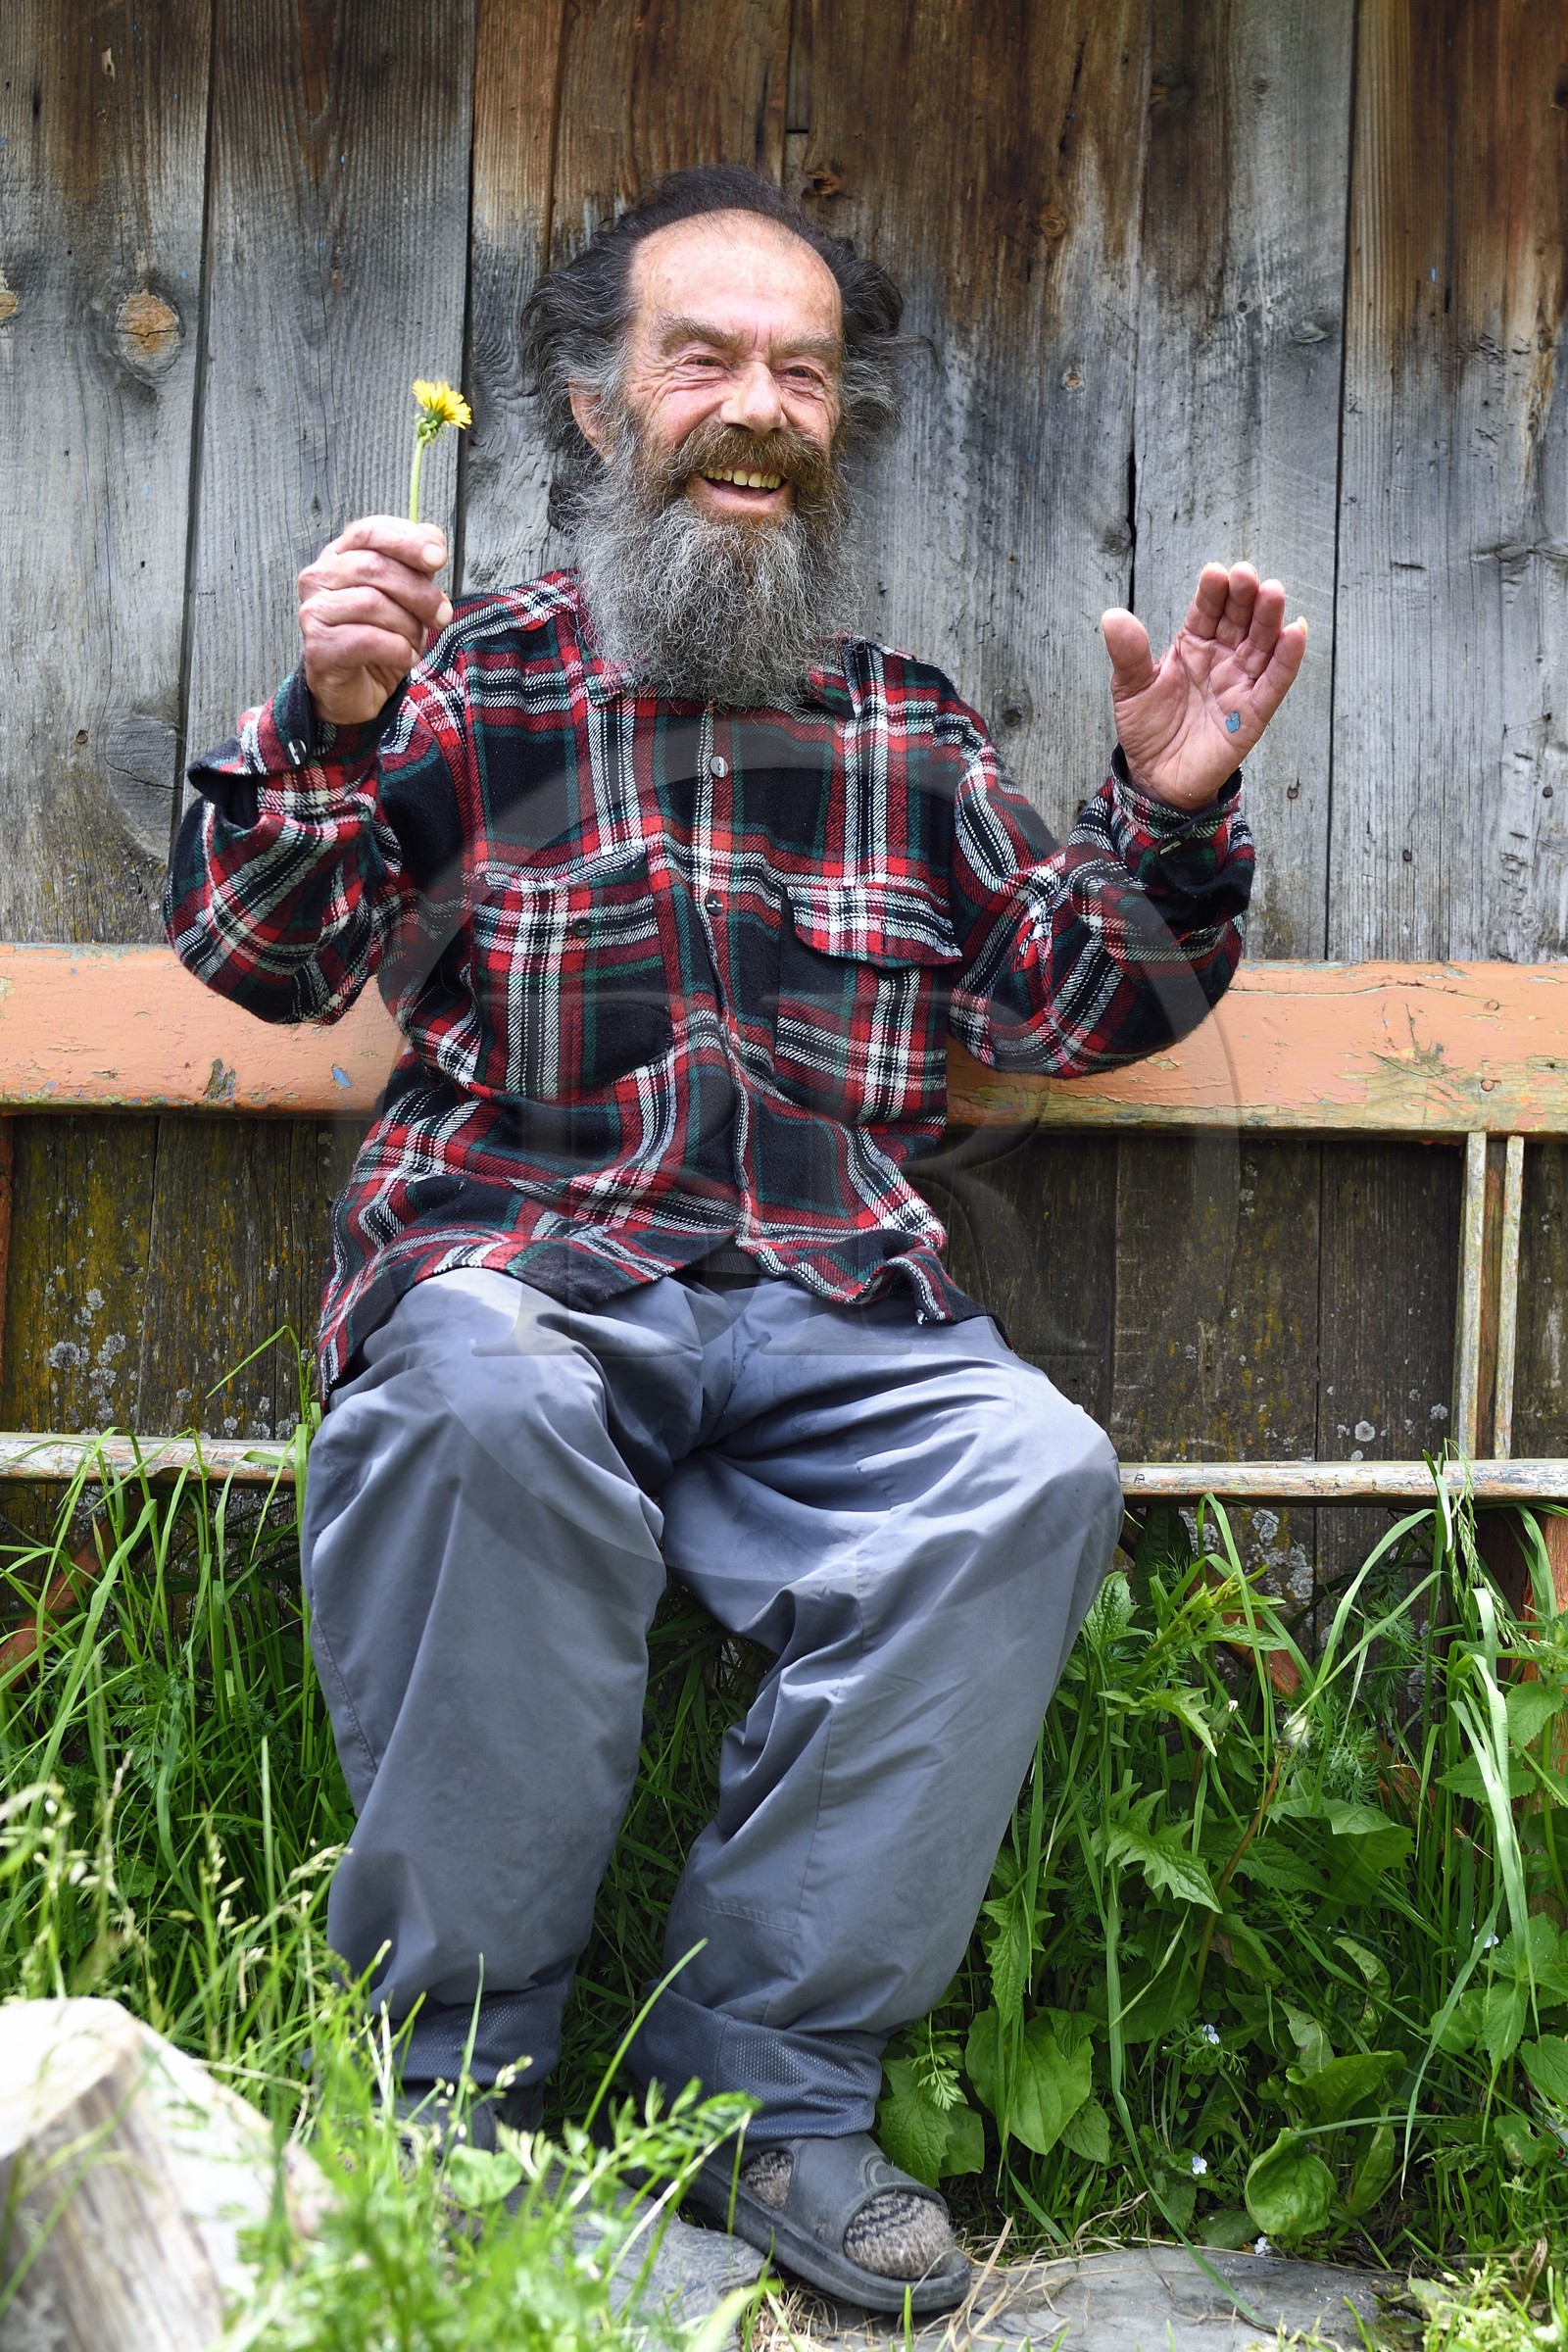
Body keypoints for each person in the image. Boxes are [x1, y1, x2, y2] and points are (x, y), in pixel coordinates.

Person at [165, 163, 1303, 2312]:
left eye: (799, 368)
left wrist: (1161, 807)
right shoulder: (461, 685)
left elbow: (1064, 1005)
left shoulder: (900, 718)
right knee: (482, 1400)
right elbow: (256, 953)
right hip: (525, 1277)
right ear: (602, 408)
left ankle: (763, 2101)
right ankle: (447, 2111)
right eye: (703, 358)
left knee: (1027, 1472)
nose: (757, 405)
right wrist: (319, 726)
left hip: (838, 1311)